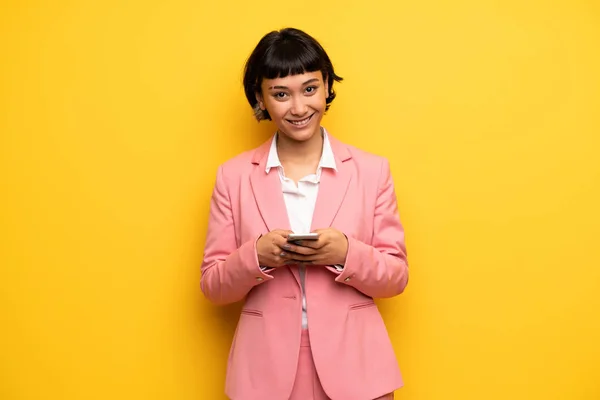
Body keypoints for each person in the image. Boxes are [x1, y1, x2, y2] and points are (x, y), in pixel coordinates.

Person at [200, 27, 409, 400]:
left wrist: (345, 253)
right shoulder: (232, 177)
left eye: (309, 89)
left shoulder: (372, 171)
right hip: (264, 374)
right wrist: (255, 257)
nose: (298, 108)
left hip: (358, 370)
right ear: (260, 99)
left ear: (327, 86)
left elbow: (396, 277)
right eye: (281, 94)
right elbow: (213, 287)